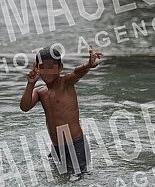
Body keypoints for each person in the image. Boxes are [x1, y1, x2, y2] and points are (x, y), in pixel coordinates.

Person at [19, 45, 102, 175]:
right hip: (57, 148)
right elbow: (25, 107)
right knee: (58, 180)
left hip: (75, 145)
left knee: (78, 181)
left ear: (60, 67)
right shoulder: (40, 92)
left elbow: (76, 73)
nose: (48, 71)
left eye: (52, 67)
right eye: (43, 67)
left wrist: (88, 65)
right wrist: (31, 83)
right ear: (37, 68)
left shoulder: (66, 84)